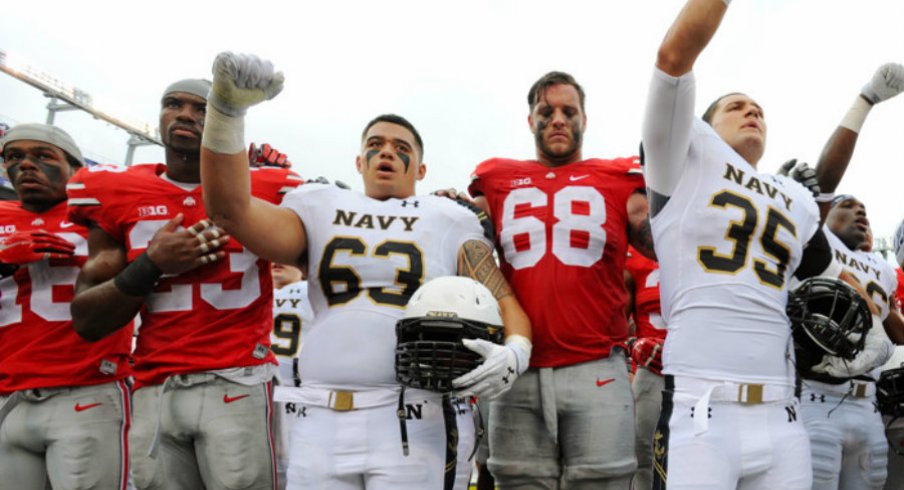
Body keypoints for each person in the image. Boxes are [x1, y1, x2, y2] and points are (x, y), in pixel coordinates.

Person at [198, 52, 532, 490]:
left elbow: (505, 299)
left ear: (422, 169)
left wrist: (515, 351)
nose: (386, 153)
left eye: (401, 148)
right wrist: (226, 112)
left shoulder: (448, 218)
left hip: (415, 414)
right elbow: (229, 211)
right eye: (374, 146)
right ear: (358, 163)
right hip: (318, 417)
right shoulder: (319, 204)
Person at [641, 1, 889, 488]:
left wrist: (874, 329)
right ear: (705, 121)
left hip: (784, 413)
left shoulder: (790, 196)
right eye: (735, 105)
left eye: (758, 108)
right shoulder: (685, 156)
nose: (752, 110)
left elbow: (834, 272)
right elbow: (674, 55)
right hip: (701, 405)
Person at [68, 78, 303, 490]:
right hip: (155, 384)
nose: (185, 115)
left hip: (238, 377)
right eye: (173, 104)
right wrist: (152, 263)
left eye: (202, 109)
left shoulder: (269, 188)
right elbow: (87, 320)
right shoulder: (117, 191)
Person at [466, 69, 649, 488]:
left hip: (596, 366)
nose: (558, 119)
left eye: (569, 110)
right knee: (518, 480)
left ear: (585, 118)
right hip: (518, 363)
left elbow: (658, 240)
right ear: (530, 120)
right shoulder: (495, 178)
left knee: (603, 481)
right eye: (546, 111)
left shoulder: (620, 178)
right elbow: (466, 241)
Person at [0, 123, 133, 490]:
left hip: (86, 386)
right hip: (7, 392)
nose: (26, 165)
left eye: (42, 155)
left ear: (76, 169)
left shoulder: (103, 218)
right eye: (14, 156)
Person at [624, 245, 666, 490]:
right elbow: (615, 321)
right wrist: (633, 346)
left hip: (699, 368)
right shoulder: (634, 253)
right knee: (642, 457)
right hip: (652, 370)